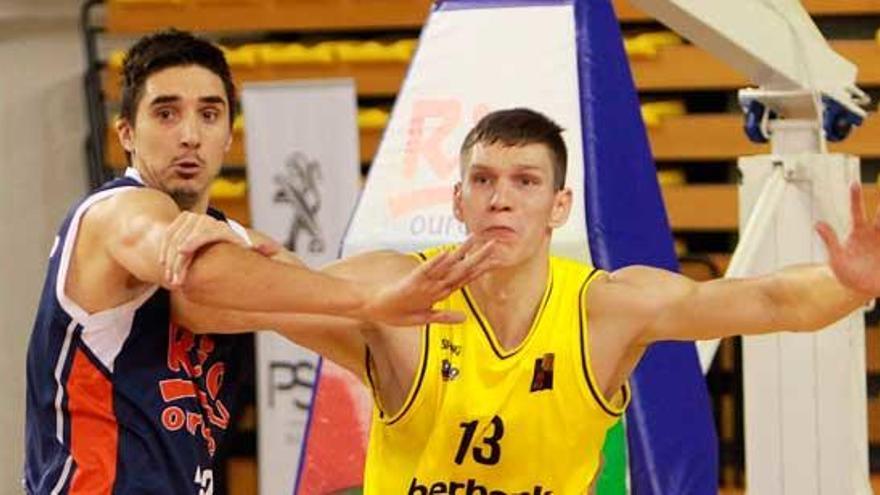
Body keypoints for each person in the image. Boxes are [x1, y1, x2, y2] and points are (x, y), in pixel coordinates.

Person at [168, 106, 880, 493]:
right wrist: (208, 237)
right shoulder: (392, 287)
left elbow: (774, 300)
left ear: (559, 205)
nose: (500, 197)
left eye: (524, 181)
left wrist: (849, 283)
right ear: (457, 199)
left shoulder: (606, 309)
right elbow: (243, 294)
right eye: (483, 180)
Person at [22, 30, 496, 495]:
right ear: (126, 132)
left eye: (209, 114)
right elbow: (197, 272)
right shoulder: (115, 213)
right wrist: (371, 299)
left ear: (229, 134)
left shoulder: (233, 240)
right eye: (166, 113)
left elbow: (316, 304)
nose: (190, 135)